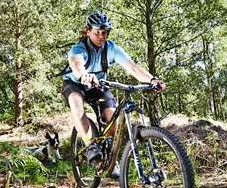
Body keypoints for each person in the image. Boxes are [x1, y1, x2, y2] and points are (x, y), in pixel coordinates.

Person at [62, 11, 166, 164]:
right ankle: (90, 145)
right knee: (76, 103)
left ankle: (111, 162)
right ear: (88, 31)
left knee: (113, 119)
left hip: (99, 85)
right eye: (98, 32)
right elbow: (77, 64)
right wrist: (84, 75)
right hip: (76, 84)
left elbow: (133, 68)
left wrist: (152, 80)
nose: (102, 36)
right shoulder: (78, 49)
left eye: (106, 32)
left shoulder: (111, 48)